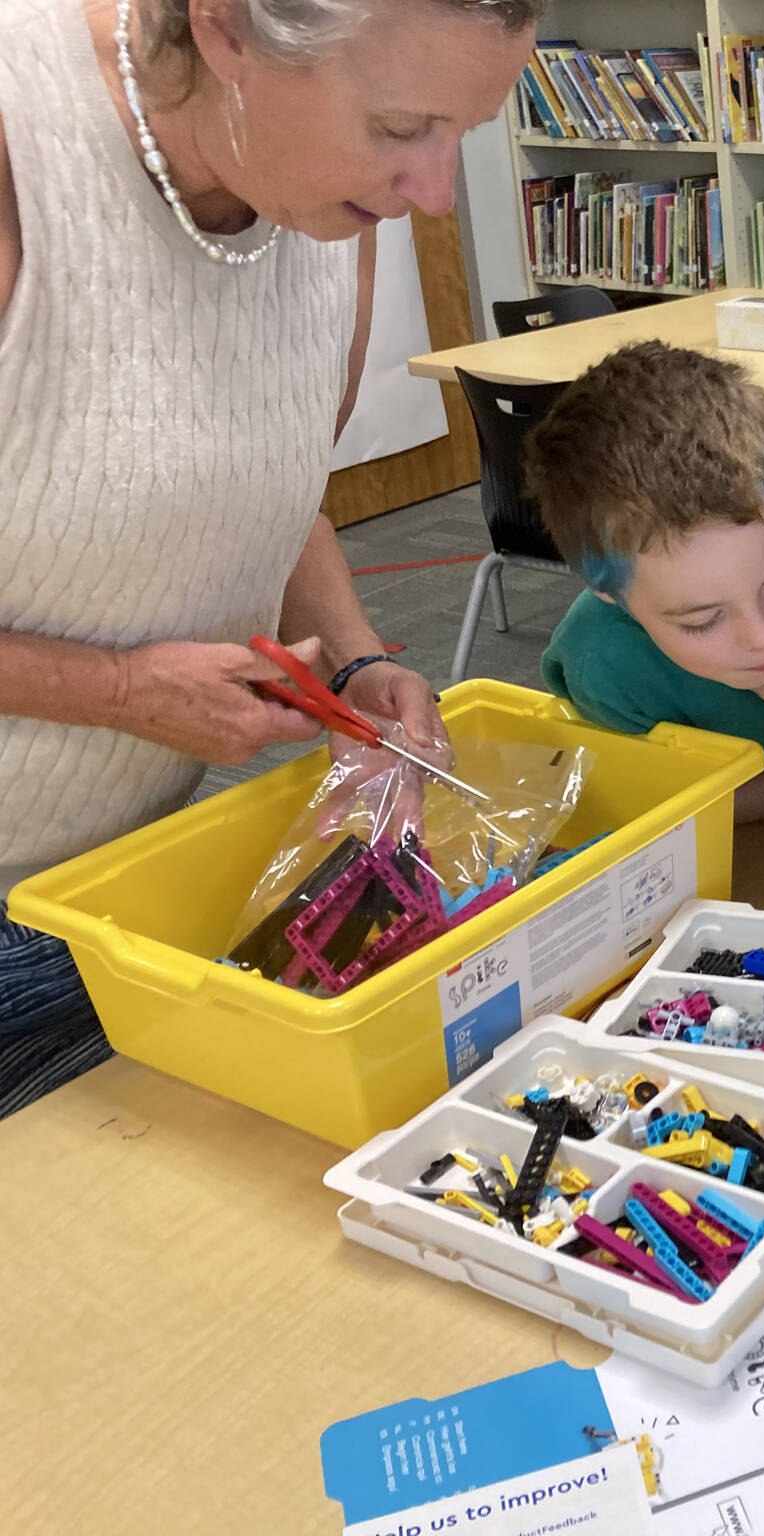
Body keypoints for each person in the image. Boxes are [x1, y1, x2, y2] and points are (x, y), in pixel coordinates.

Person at [0, 0, 538, 1107]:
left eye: (461, 134)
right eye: (398, 127)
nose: (433, 191)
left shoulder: (327, 206)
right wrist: (111, 690)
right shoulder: (25, 143)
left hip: (109, 876)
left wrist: (351, 659)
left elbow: (277, 493)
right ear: (225, 32)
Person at [526, 342, 764, 856]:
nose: (762, 636)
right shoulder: (600, 660)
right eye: (701, 621)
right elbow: (653, 811)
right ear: (610, 595)